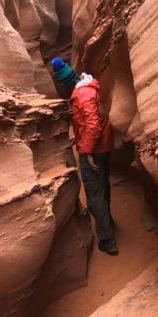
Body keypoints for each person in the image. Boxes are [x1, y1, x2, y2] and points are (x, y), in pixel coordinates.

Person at [50, 57, 117, 255]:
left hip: (94, 151)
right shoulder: (92, 86)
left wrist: (86, 150)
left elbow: (93, 125)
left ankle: (107, 240)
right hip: (104, 145)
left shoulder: (82, 94)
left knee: (95, 194)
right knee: (103, 188)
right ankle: (109, 222)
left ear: (66, 82)